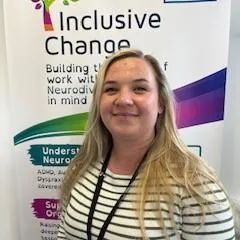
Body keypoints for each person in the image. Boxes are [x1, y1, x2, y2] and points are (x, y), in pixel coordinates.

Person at [57, 48, 235, 239]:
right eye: (111, 89)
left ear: (161, 103)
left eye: (140, 88)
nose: (124, 99)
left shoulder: (196, 185)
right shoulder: (81, 166)